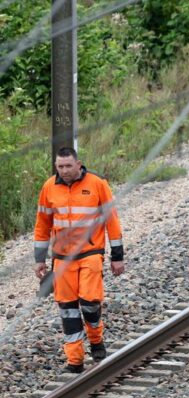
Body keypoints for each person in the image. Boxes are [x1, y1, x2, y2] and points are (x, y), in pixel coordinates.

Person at [33, 147, 125, 373]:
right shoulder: (48, 188)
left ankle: (95, 339)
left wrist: (117, 256)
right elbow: (42, 224)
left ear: (78, 164)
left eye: (68, 166)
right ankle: (75, 360)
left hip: (90, 253)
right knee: (67, 308)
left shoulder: (97, 184)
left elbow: (112, 221)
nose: (64, 170)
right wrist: (39, 259)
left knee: (90, 301)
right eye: (60, 166)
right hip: (61, 259)